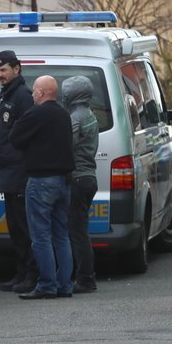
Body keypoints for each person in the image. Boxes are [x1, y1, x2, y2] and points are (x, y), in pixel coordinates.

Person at [9, 76, 75, 299]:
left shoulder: (35, 114)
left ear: (40, 93)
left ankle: (47, 284)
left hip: (40, 181)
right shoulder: (64, 115)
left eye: (34, 91)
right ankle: (65, 284)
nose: (32, 95)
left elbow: (15, 137)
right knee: (61, 235)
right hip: (63, 182)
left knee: (40, 236)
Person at [0, 50, 36, 294]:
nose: (0, 75)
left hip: (20, 173)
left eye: (3, 70)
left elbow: (26, 136)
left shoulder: (23, 96)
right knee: (15, 228)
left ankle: (30, 274)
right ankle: (21, 273)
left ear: (17, 69)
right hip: (9, 173)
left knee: (24, 227)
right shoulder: (8, 96)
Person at [62, 76, 100, 294]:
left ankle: (85, 278)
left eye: (66, 91)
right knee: (79, 230)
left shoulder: (75, 118)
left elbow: (66, 145)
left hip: (77, 179)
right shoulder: (89, 114)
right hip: (88, 178)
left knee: (77, 232)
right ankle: (85, 276)